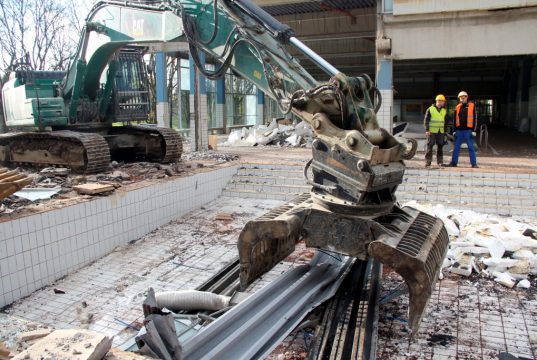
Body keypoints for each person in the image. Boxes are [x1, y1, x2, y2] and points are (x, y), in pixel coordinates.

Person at [449, 91, 478, 168]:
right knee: (456, 148)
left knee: (471, 147)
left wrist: (474, 130)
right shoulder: (457, 107)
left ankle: (474, 164)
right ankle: (454, 163)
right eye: (461, 97)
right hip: (459, 131)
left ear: (466, 97)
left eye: (464, 97)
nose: (462, 98)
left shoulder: (472, 106)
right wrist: (454, 130)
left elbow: (475, 118)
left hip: (468, 131)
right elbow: (454, 120)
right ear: (459, 98)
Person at [424, 94, 447, 167]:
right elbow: (426, 120)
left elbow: (445, 122)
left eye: (443, 101)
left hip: (441, 131)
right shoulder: (430, 109)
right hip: (432, 131)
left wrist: (445, 131)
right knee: (430, 145)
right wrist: (427, 130)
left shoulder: (444, 110)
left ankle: (440, 161)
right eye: (442, 101)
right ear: (438, 101)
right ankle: (428, 162)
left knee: (440, 146)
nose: (443, 103)